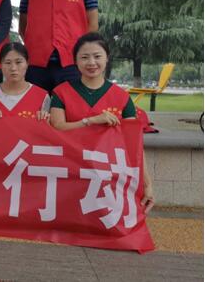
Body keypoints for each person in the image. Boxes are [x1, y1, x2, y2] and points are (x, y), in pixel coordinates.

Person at [50, 32, 154, 213]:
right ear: (75, 61)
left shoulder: (122, 97)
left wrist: (147, 184)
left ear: (107, 58)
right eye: (84, 57)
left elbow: (134, 144)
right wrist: (90, 121)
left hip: (108, 178)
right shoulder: (61, 93)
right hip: (70, 172)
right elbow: (57, 128)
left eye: (97, 56)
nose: (91, 62)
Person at [0, 42, 50, 120]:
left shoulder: (42, 97)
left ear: (27, 63)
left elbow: (49, 126)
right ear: (0, 65)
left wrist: (45, 119)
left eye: (18, 62)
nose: (13, 68)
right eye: (8, 63)